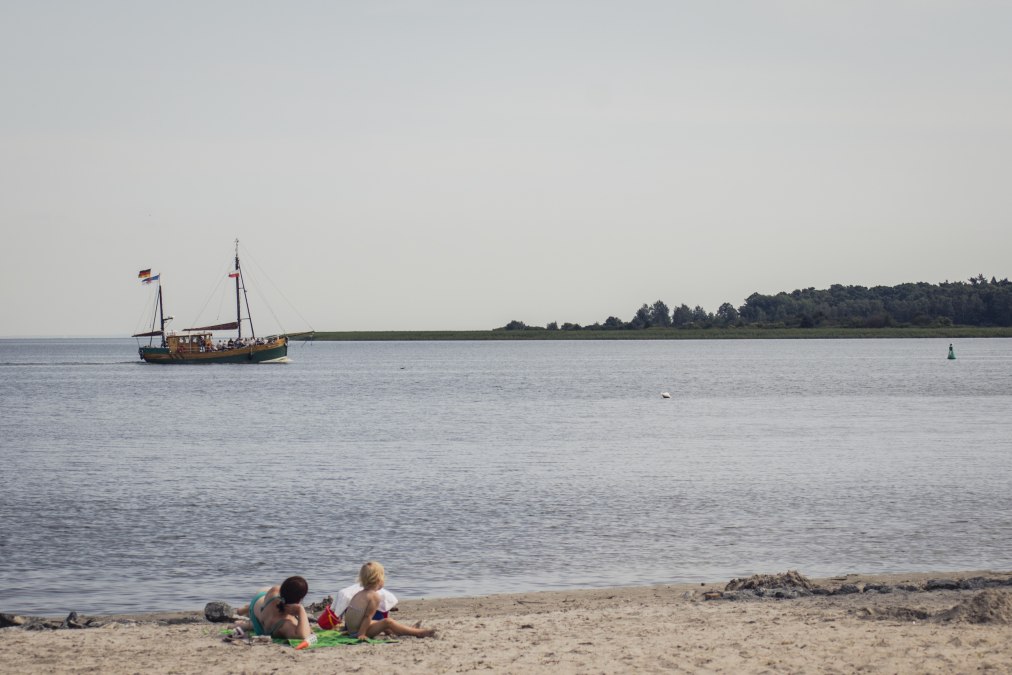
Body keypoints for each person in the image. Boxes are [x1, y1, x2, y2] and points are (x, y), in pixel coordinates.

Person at [343, 562, 435, 640]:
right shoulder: (374, 596)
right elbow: (367, 617)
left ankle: (409, 630)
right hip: (358, 632)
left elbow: (351, 613)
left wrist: (350, 630)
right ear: (379, 580)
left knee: (382, 623)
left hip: (352, 630)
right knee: (388, 622)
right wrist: (361, 634)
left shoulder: (358, 593)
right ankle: (419, 633)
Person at [234, 576, 312, 640]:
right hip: (259, 622)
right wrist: (301, 610)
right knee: (260, 621)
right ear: (300, 599)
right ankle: (245, 613)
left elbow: (287, 589)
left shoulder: (275, 590)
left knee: (264, 603)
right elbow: (303, 636)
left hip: (258, 601)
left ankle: (245, 610)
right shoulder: (284, 623)